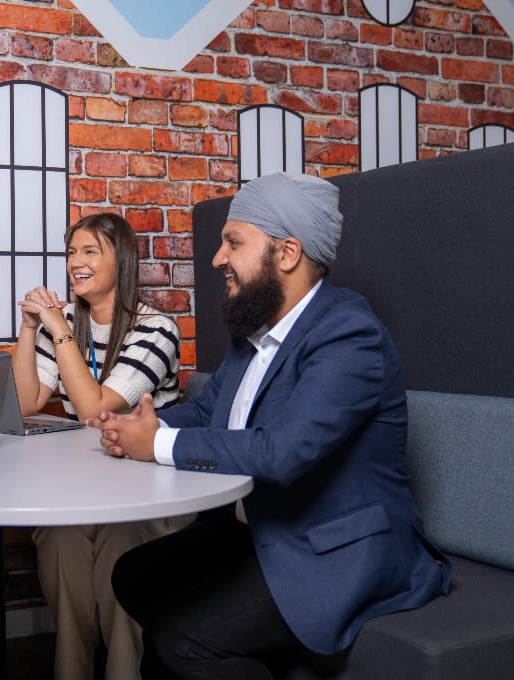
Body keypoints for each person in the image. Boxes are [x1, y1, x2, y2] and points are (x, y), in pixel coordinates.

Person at [88, 172, 451, 679]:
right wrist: (134, 426)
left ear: (287, 253)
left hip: (337, 549)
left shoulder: (349, 335)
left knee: (182, 640)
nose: (217, 258)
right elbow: (205, 413)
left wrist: (158, 444)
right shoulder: (253, 331)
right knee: (133, 575)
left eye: (233, 242)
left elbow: (283, 451)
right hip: (261, 529)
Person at [12, 212, 194, 680]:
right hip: (86, 483)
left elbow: (95, 410)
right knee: (59, 537)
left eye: (90, 251)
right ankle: (71, 668)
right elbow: (27, 401)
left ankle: (123, 670)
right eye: (72, 251)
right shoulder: (65, 324)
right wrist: (30, 328)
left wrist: (58, 328)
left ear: (122, 260)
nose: (76, 261)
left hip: (146, 488)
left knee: (121, 541)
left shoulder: (156, 329)